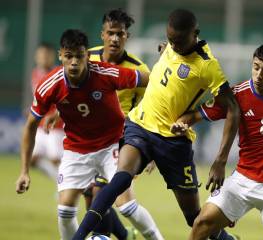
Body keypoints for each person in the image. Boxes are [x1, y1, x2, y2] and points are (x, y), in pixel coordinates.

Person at [72, 9, 240, 240]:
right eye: (171, 40)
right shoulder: (172, 45)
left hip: (172, 142)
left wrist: (220, 160)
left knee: (193, 217)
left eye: (179, 41)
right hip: (139, 124)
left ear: (195, 34)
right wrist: (167, 48)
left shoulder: (207, 66)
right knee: (120, 179)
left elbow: (231, 108)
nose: (174, 45)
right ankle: (78, 237)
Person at [15, 29, 151, 240]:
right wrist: (24, 171)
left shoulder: (106, 72)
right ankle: (121, 236)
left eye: (79, 56)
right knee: (70, 209)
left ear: (87, 55)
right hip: (78, 147)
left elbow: (151, 81)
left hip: (112, 143)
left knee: (123, 204)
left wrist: (149, 128)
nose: (74, 62)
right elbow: (31, 124)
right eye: (69, 56)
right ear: (61, 55)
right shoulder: (49, 83)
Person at [171, 44, 263, 240]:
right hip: (243, 180)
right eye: (256, 67)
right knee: (202, 223)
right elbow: (197, 114)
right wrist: (181, 124)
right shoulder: (237, 95)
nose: (258, 74)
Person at [84, 9, 163, 240]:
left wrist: (154, 149)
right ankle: (123, 235)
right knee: (91, 196)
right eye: (111, 33)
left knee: (109, 197)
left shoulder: (139, 70)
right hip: (91, 140)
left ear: (127, 36)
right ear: (103, 35)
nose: (115, 38)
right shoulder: (88, 58)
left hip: (124, 140)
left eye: (120, 34)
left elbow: (158, 105)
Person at [28, 43, 63, 180]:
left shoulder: (59, 74)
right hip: (40, 125)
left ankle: (65, 187)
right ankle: (59, 182)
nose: (43, 58)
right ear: (36, 56)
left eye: (46, 55)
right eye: (41, 55)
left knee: (56, 159)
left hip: (56, 126)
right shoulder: (35, 73)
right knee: (32, 159)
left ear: (52, 57)